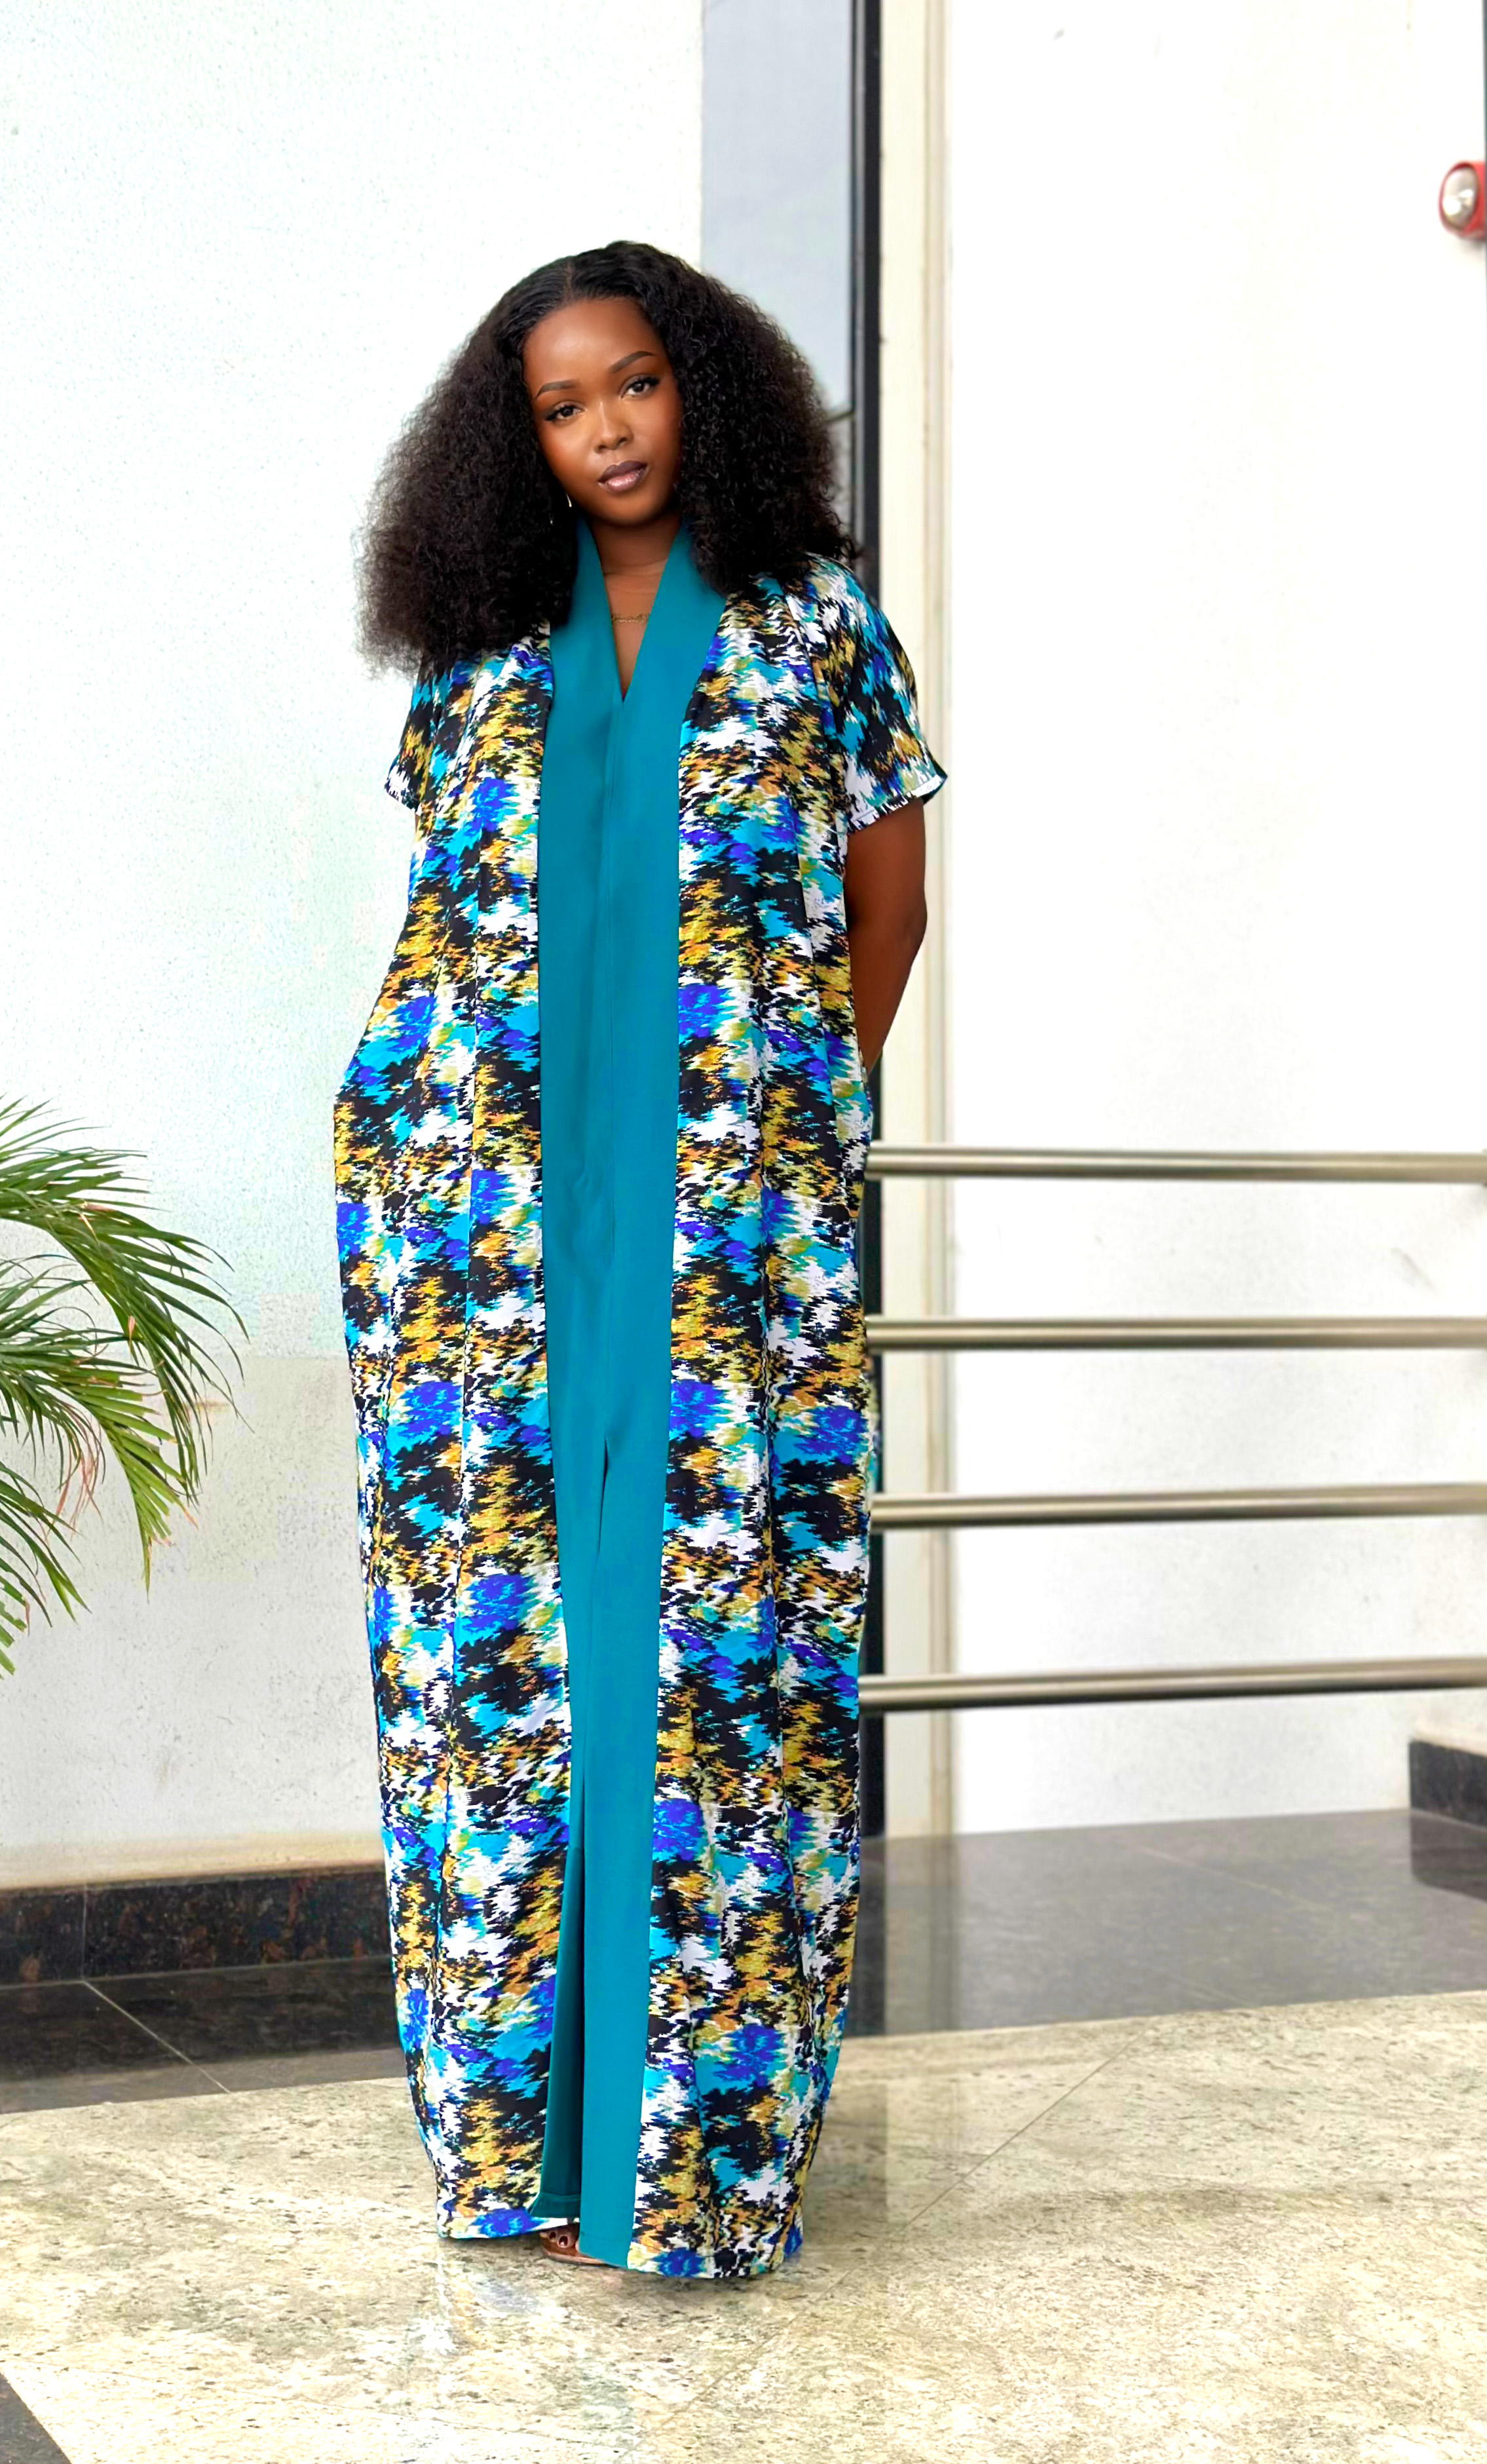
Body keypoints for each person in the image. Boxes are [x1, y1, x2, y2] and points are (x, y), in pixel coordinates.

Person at [336, 239, 944, 2279]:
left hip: (724, 1234)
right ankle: (516, 2143)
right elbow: (447, 924)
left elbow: (888, 905)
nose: (606, 431)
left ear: (705, 387)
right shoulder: (479, 657)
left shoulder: (817, 624)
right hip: (482, 1233)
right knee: (500, 1657)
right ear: (511, 443)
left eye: (635, 386)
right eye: (561, 406)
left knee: (719, 1651)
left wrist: (784, 1127)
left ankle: (690, 2160)